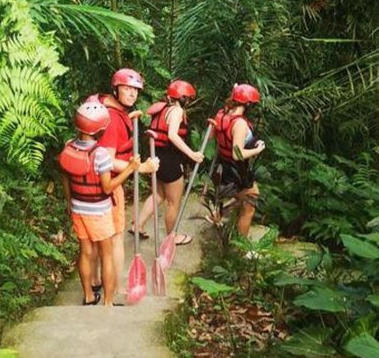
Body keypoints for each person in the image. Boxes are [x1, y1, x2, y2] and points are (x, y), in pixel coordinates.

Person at [58, 96, 151, 306]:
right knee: (106, 254)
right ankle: (108, 302)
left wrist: (69, 202)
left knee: (85, 251)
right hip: (98, 211)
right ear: (99, 129)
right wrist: (130, 168)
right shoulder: (100, 154)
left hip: (78, 209)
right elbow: (107, 187)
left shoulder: (69, 147)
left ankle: (89, 295)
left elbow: (65, 178)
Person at [97, 68, 159, 296]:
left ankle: (96, 283)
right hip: (109, 185)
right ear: (116, 88)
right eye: (127, 88)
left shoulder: (104, 105)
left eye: (135, 90)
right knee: (115, 238)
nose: (132, 94)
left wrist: (128, 117)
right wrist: (141, 168)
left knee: (97, 237)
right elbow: (108, 160)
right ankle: (117, 290)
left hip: (96, 185)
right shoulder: (112, 120)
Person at [132, 80, 204, 245]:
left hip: (156, 156)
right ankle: (172, 237)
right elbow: (172, 135)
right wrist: (192, 154)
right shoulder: (177, 111)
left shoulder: (163, 108)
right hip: (168, 160)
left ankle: (138, 225)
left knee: (158, 195)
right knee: (173, 202)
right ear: (183, 98)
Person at [212, 83, 266, 237]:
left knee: (242, 198)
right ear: (248, 104)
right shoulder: (239, 123)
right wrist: (257, 149)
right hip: (236, 170)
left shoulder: (221, 114)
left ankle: (220, 214)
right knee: (250, 204)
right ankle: (242, 247)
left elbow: (211, 136)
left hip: (224, 165)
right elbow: (237, 153)